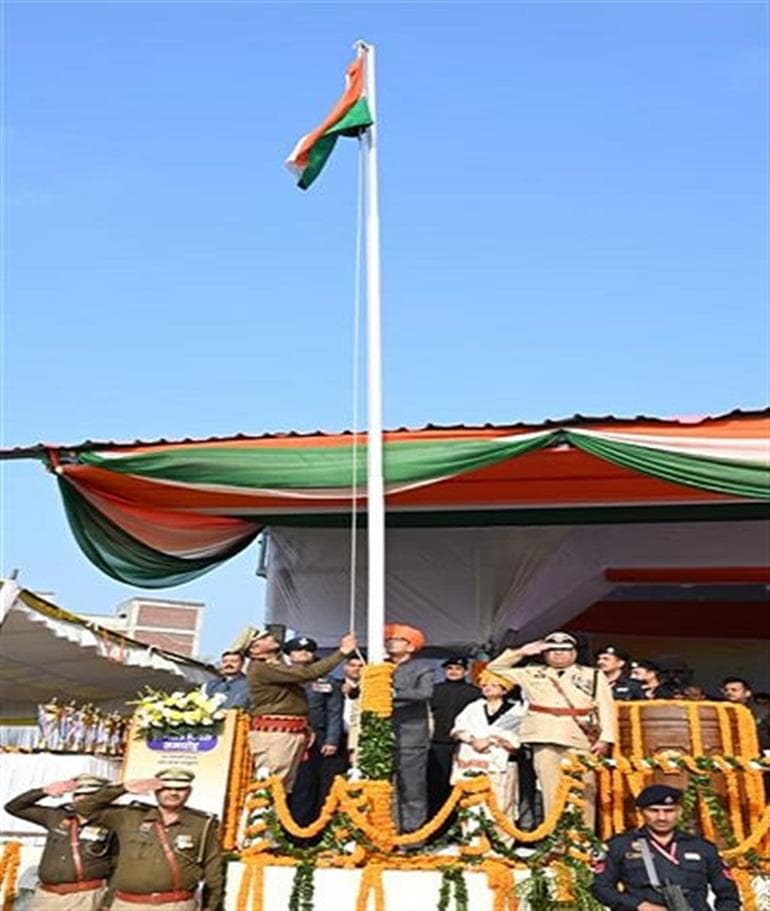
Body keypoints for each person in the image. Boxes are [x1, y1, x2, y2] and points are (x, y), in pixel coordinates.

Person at [487, 630, 616, 828]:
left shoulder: (593, 675)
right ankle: (555, 842)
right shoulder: (532, 671)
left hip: (579, 736)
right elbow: (495, 668)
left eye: (564, 649)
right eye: (552, 649)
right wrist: (521, 652)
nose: (558, 653)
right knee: (551, 792)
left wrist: (606, 738)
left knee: (583, 790)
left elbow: (606, 708)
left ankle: (582, 840)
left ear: (574, 652)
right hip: (545, 736)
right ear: (545, 653)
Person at [74, 769, 223, 911]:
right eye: (166, 788)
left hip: (175, 905)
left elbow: (213, 868)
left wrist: (210, 906)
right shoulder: (129, 816)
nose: (173, 793)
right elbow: (84, 808)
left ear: (189, 792)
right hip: (127, 904)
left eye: (180, 789)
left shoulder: (202, 824)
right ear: (156, 790)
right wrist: (122, 788)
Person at [235, 625, 357, 791]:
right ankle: (260, 816)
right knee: (271, 784)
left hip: (288, 731)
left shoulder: (273, 665)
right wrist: (341, 652)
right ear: (255, 649)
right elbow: (306, 674)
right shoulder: (263, 668)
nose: (271, 638)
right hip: (276, 733)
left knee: (282, 786)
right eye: (264, 638)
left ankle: (272, 816)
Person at [592, 784, 741, 910]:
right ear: (641, 812)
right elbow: (601, 888)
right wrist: (640, 905)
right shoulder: (620, 845)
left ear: (679, 812)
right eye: (654, 811)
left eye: (669, 811)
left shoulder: (703, 848)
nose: (662, 817)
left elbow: (728, 894)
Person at [4, 774, 115, 911]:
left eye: (89, 794)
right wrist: (43, 791)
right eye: (77, 794)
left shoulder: (113, 821)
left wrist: (108, 901)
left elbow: (119, 863)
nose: (81, 798)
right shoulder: (57, 816)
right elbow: (14, 808)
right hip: (47, 896)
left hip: (85, 896)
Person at [450, 670, 525, 836]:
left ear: (504, 689)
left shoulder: (517, 711)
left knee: (502, 803)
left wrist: (491, 739)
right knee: (472, 802)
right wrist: (471, 739)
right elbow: (458, 728)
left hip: (501, 762)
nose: (487, 688)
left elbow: (517, 738)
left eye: (493, 685)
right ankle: (473, 840)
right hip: (472, 759)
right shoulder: (473, 707)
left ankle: (502, 843)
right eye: (484, 685)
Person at [283, 635, 344, 826]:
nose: (303, 653)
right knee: (278, 784)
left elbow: (334, 712)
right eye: (298, 650)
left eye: (308, 651)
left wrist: (332, 739)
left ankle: (304, 831)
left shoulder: (326, 681)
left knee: (306, 785)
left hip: (315, 740)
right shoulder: (279, 675)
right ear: (289, 655)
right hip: (282, 737)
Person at [385, 623, 434, 834]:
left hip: (411, 736)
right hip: (381, 735)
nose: (390, 642)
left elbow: (425, 693)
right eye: (390, 639)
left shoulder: (422, 668)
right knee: (383, 788)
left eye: (397, 640)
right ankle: (386, 830)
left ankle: (413, 836)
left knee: (412, 788)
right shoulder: (379, 667)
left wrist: (393, 693)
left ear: (411, 647)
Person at [428, 656, 480, 819]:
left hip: (465, 745)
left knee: (463, 784)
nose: (453, 672)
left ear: (465, 671)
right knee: (438, 785)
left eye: (457, 669)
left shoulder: (475, 692)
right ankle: (437, 826)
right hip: (439, 744)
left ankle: (462, 824)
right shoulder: (434, 690)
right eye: (450, 668)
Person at [721, 676, 770, 751]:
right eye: (726, 690)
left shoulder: (763, 712)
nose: (729, 693)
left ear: (747, 693)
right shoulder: (721, 711)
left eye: (734, 690)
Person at [340, 653, 365, 765]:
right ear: (345, 667)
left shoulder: (372, 688)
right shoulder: (335, 685)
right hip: (339, 738)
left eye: (360, 666)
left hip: (362, 737)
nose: (356, 669)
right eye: (352, 665)